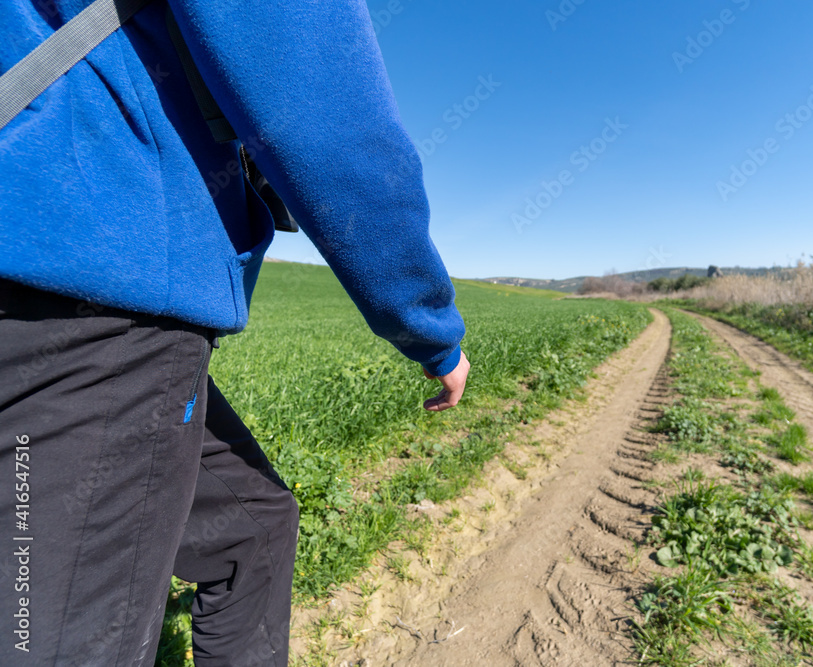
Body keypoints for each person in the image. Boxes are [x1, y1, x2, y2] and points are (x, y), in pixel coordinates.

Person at [0, 0, 470, 664]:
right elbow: (332, 121)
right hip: (97, 302)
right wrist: (431, 331)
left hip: (48, 277)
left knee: (255, 530)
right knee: (59, 640)